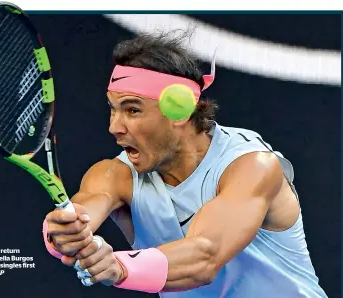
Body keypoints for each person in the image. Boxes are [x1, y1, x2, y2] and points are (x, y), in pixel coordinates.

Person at [42, 31, 328, 297]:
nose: (114, 127)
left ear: (179, 111)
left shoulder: (252, 166)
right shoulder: (114, 175)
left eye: (132, 109)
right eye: (113, 110)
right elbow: (83, 212)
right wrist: (63, 234)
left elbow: (204, 257)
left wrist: (121, 267)